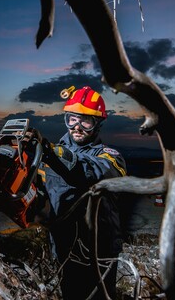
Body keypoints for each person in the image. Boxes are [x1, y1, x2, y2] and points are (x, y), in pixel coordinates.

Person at [32, 85, 127, 300]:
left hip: (99, 252)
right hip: (65, 249)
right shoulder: (50, 159)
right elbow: (39, 194)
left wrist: (53, 153)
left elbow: (89, 171)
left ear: (97, 124)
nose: (77, 127)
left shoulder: (110, 157)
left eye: (86, 121)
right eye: (72, 119)